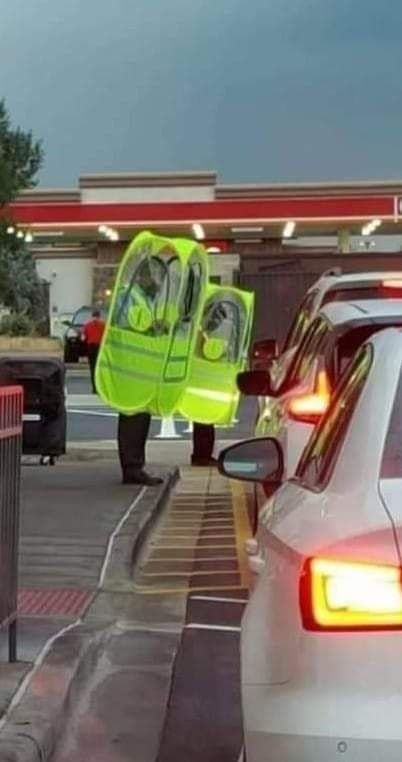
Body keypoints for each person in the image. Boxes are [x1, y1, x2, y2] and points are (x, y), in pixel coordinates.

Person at [82, 309, 105, 394]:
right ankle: (101, 387)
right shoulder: (103, 325)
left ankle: (94, 388)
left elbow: (83, 338)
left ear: (92, 316)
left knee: (92, 368)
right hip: (100, 348)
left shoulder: (87, 325)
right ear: (99, 316)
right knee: (100, 368)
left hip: (91, 348)